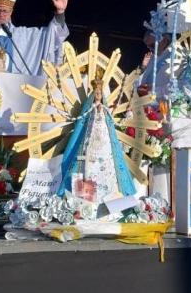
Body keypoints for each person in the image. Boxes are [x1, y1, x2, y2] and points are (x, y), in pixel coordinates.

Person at [58, 71, 135, 213]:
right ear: (94, 95)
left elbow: (112, 122)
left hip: (105, 145)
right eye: (96, 94)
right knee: (87, 168)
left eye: (100, 94)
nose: (98, 96)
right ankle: (85, 206)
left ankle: (112, 205)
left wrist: (126, 113)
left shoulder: (104, 109)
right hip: (90, 145)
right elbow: (82, 122)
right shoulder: (89, 109)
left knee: (108, 169)